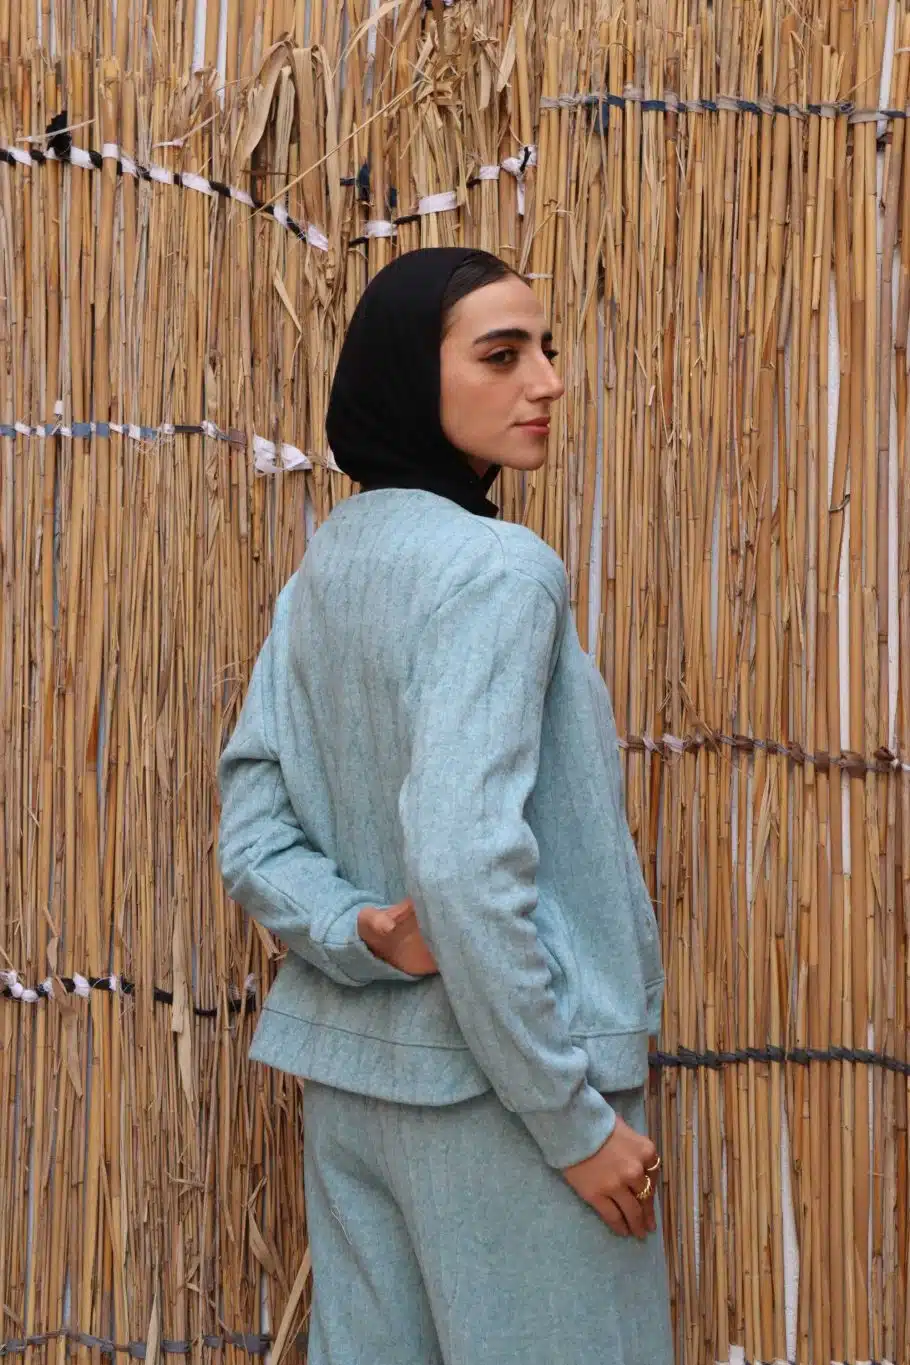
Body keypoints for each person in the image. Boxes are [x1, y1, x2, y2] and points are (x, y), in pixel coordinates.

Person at [217, 247, 672, 1365]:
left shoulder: (327, 568)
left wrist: (359, 931)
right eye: (501, 355)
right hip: (509, 1108)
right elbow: (466, 862)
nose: (548, 381)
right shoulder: (501, 570)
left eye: (546, 350)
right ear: (410, 378)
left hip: (357, 1092)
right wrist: (571, 1122)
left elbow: (253, 831)